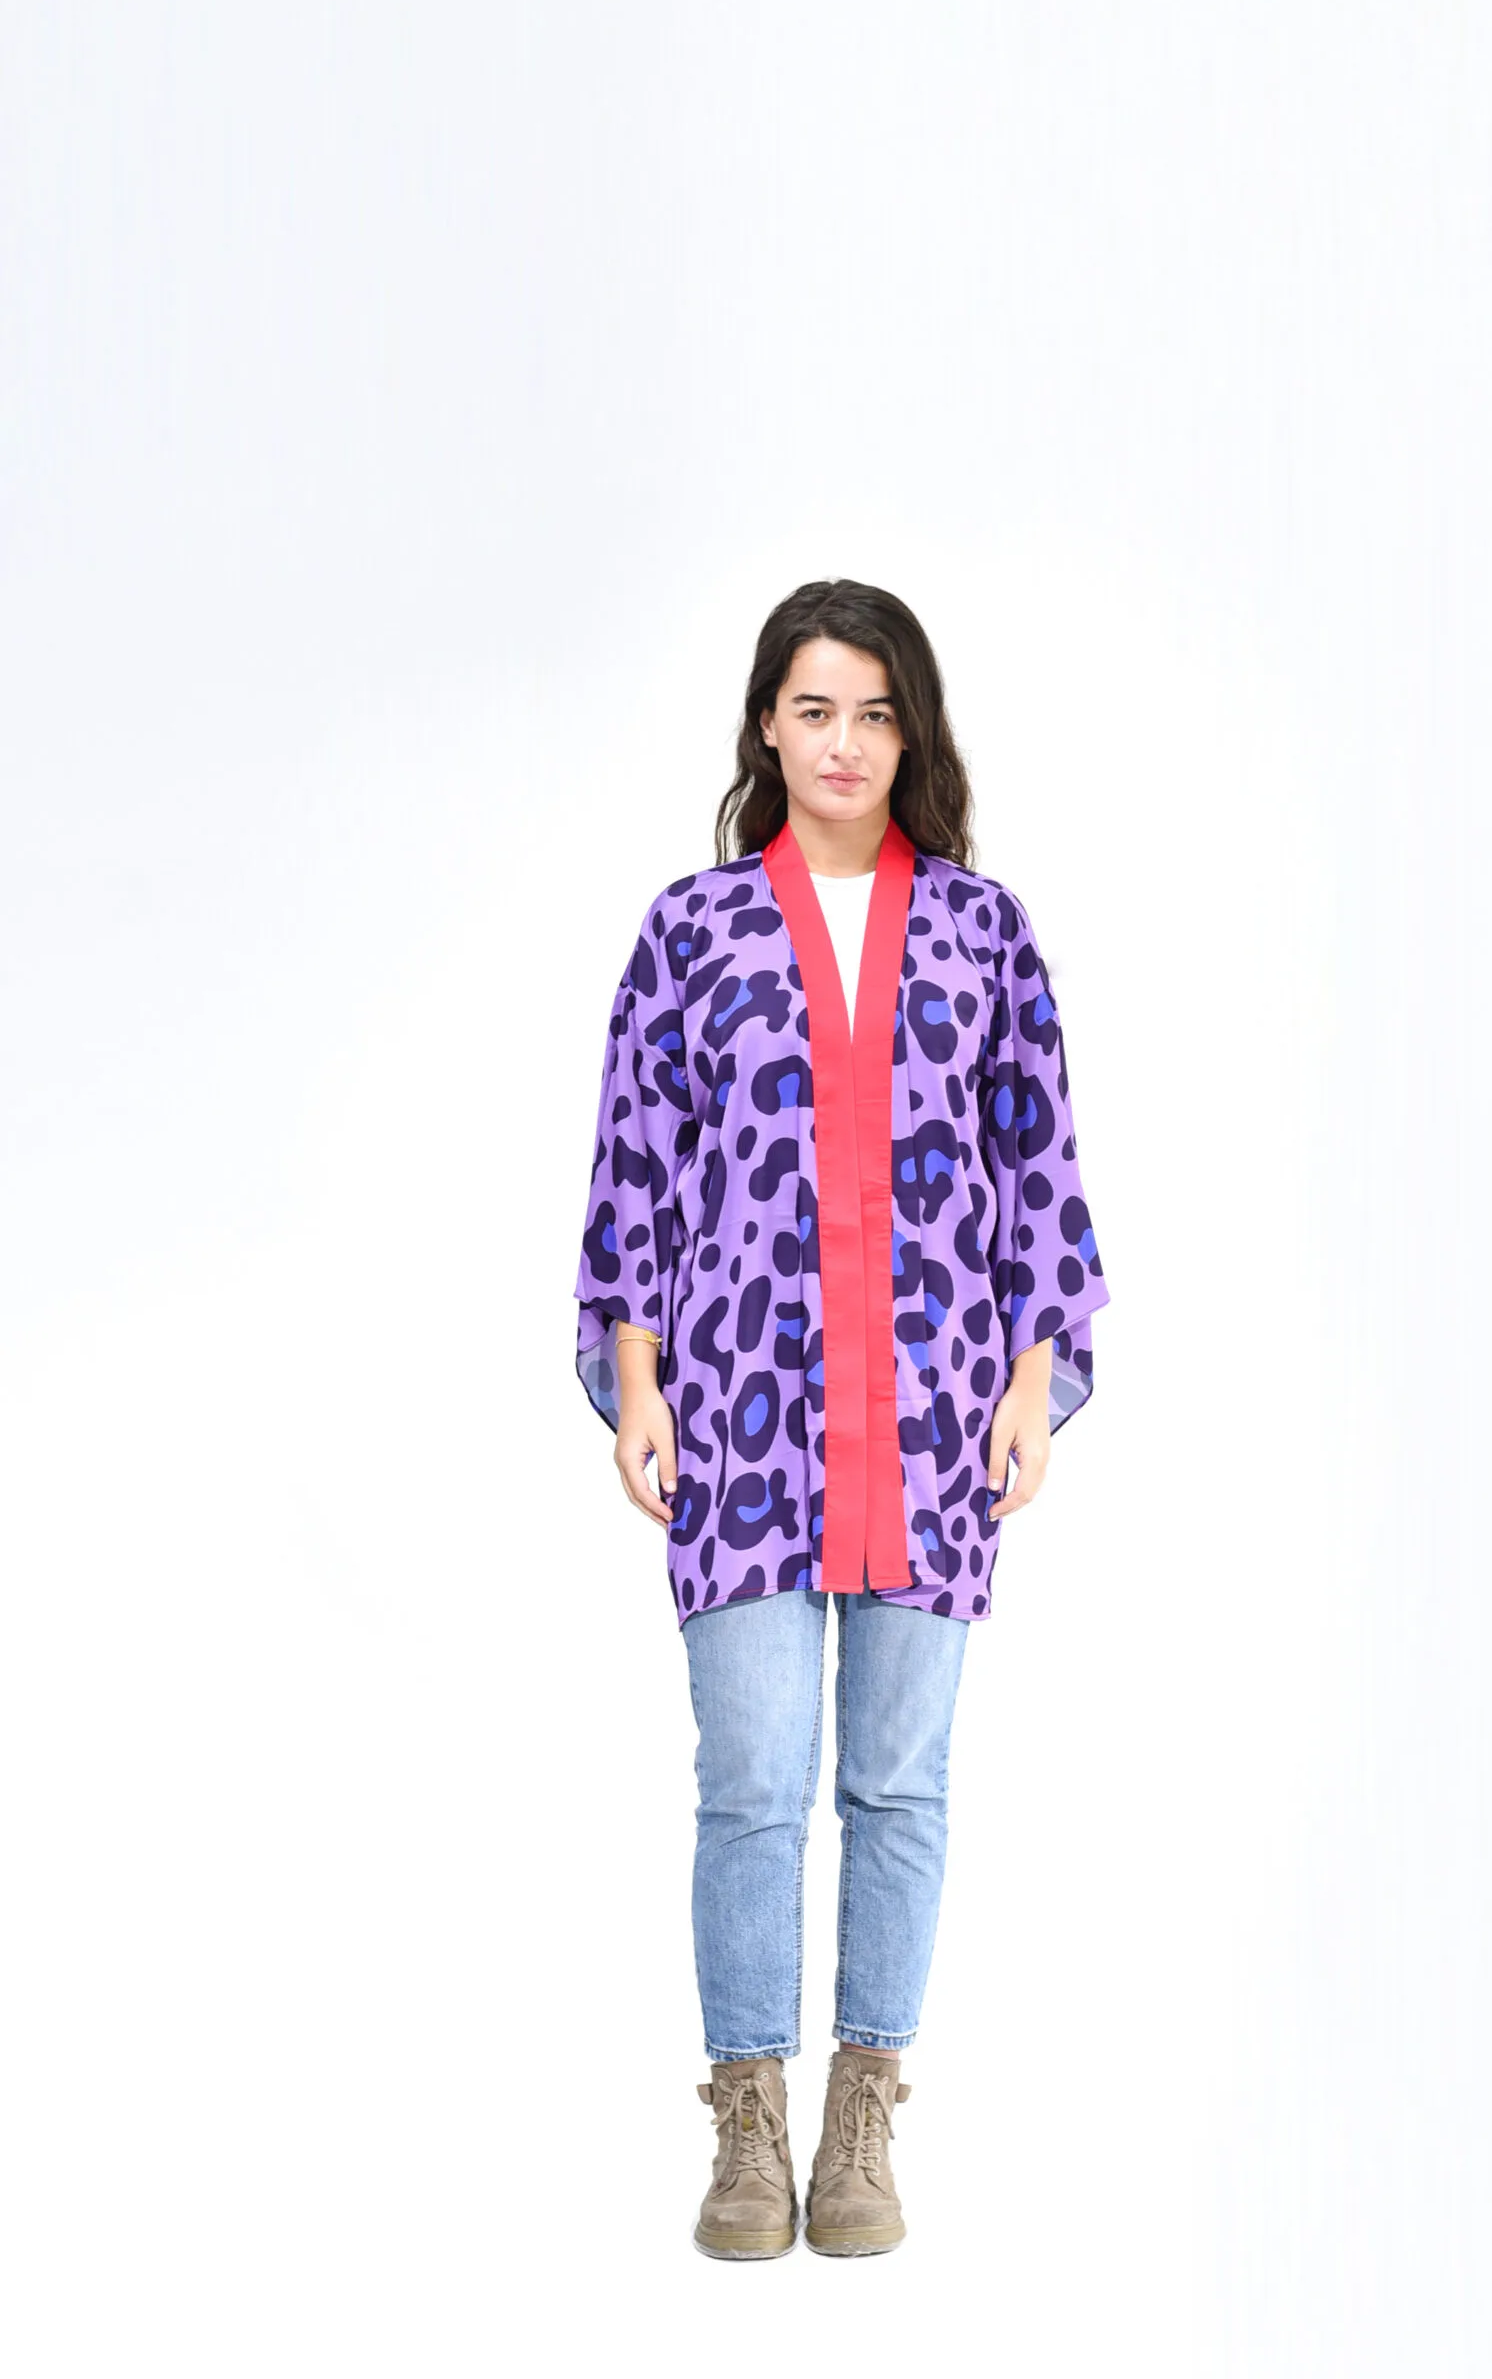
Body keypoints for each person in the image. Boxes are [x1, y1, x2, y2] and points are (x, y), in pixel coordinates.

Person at [572, 578, 1110, 2260]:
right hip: (739, 1406)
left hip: (936, 1411)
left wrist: (1033, 1382)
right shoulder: (692, 932)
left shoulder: (983, 932)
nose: (845, 743)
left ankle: (864, 2117)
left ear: (910, 732)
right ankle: (748, 2128)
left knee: (895, 1781)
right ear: (767, 726)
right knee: (750, 1780)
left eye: (876, 712)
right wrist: (637, 1382)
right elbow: (637, 1164)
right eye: (815, 709)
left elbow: (1039, 1165)